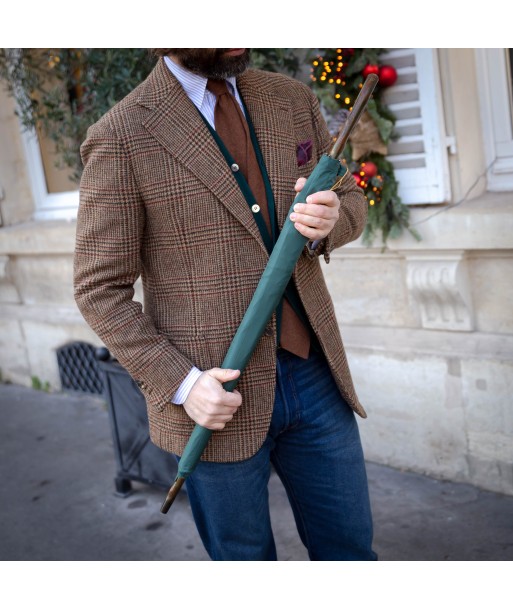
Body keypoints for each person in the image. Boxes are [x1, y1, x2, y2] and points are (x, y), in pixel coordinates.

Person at [74, 48, 377, 561]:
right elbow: (99, 290)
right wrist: (183, 384)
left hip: (315, 377)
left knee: (351, 553)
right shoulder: (121, 135)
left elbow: (349, 198)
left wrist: (332, 222)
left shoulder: (290, 98)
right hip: (215, 401)